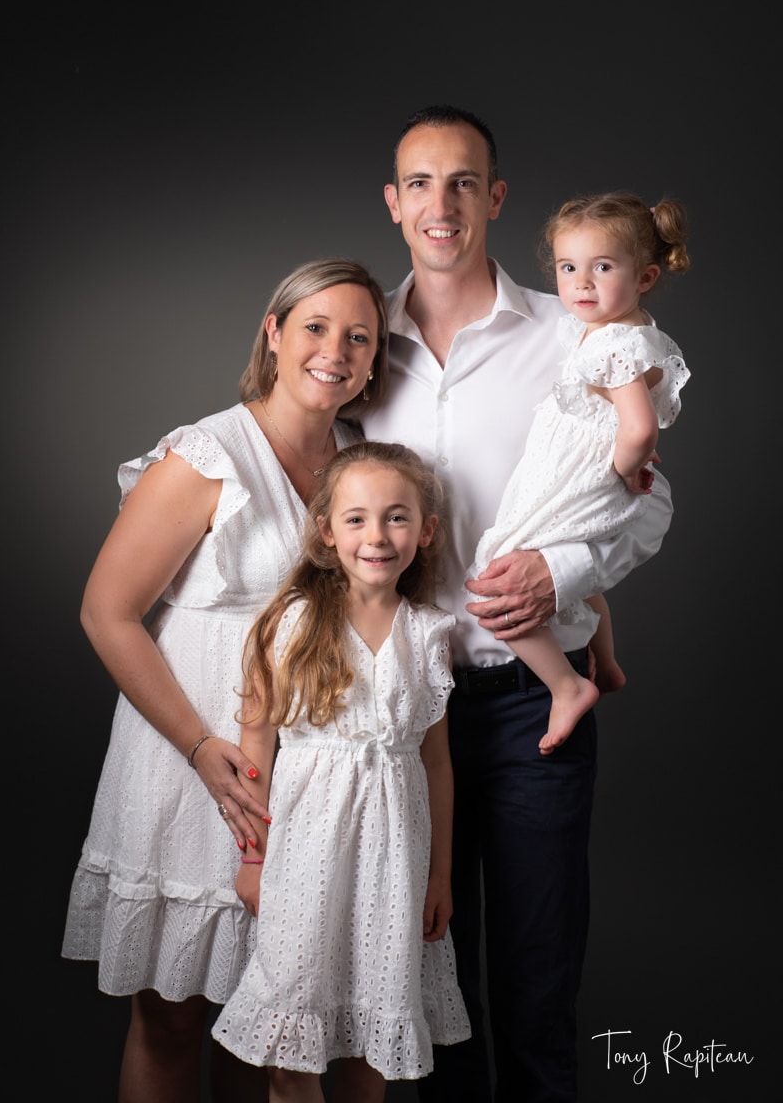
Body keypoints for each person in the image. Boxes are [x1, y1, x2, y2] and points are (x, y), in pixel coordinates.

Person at [361, 105, 676, 1102]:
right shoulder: (361, 340)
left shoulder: (571, 327)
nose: (440, 203)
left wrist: (565, 573)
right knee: (432, 976)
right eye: (419, 182)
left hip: (531, 698)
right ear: (392, 201)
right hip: (405, 704)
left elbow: (646, 500)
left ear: (494, 198)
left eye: (462, 182)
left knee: (537, 976)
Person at [61, 257, 390, 1103]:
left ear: (375, 356)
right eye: (315, 327)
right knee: (171, 1016)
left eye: (359, 335)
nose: (336, 350)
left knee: (267, 1018)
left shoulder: (363, 461)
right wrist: (201, 746)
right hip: (189, 751)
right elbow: (107, 611)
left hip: (308, 766)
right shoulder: (207, 455)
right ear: (274, 334)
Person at [212, 441, 471, 1102]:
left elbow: (435, 762)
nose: (377, 536)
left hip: (394, 863)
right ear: (327, 530)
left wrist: (440, 873)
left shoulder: (431, 633)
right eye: (356, 519)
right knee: (289, 1051)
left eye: (396, 517)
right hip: (303, 856)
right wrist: (251, 857)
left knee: (367, 1045)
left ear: (426, 530)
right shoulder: (294, 622)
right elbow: (256, 748)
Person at [468, 190, 691, 756]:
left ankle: (567, 687)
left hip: (580, 477)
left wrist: (620, 470)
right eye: (569, 268)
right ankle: (608, 664)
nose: (582, 284)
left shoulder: (610, 343)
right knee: (577, 586)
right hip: (584, 467)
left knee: (495, 577)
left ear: (643, 276)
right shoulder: (630, 330)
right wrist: (629, 460)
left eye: (602, 267)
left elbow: (639, 429)